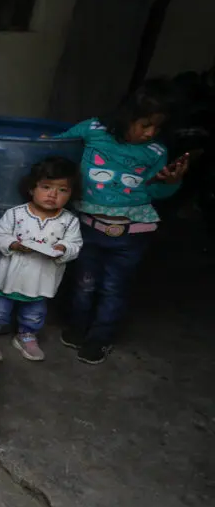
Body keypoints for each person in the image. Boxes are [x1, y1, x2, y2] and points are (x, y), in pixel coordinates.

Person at [54, 79, 189, 364]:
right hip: (88, 229)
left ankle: (99, 339)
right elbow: (59, 150)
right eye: (144, 124)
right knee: (83, 283)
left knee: (113, 288)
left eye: (157, 127)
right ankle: (78, 328)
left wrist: (172, 183)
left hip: (130, 234)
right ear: (126, 116)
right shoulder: (92, 130)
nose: (150, 133)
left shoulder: (155, 152)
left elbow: (155, 191)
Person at [0, 157, 83, 362]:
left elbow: (75, 245)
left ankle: (26, 336)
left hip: (40, 278)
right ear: (31, 188)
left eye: (62, 190)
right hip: (8, 275)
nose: (53, 195)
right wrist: (14, 245)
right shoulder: (16, 214)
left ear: (71, 194)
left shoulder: (69, 221)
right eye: (46, 187)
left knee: (34, 313)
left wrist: (64, 247)